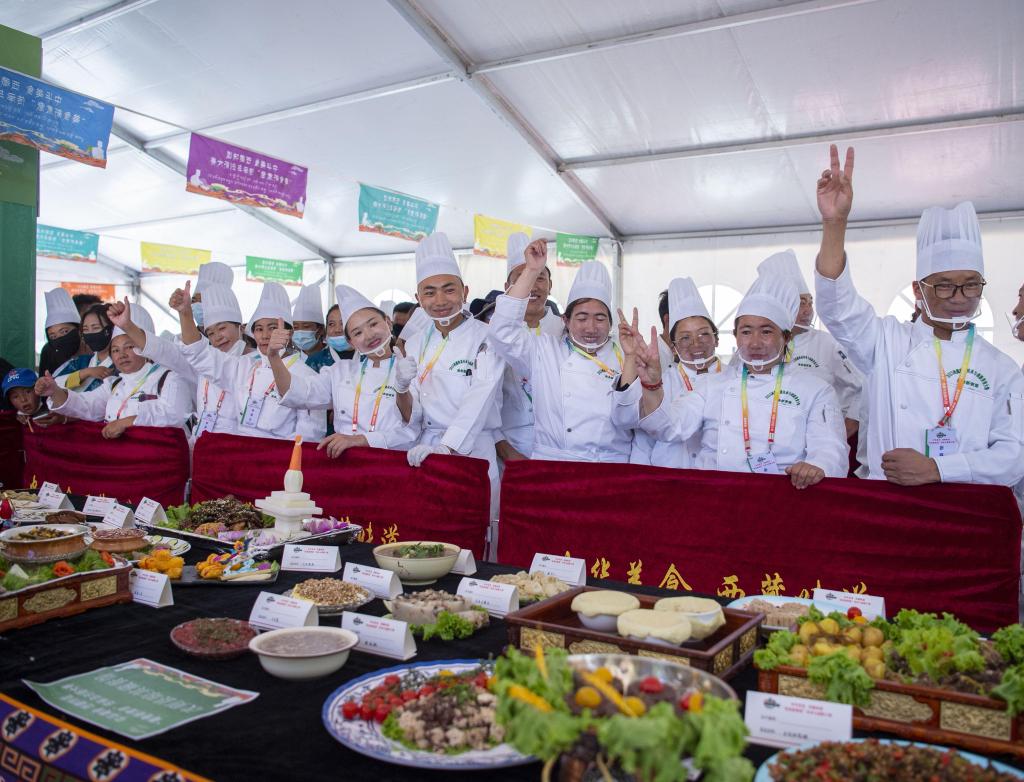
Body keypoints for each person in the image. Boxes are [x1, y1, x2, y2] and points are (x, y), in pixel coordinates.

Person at [814, 144, 1024, 487]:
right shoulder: (886, 341)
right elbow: (836, 306)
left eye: (971, 285)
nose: (960, 298)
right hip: (889, 502)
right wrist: (834, 223)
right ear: (918, 289)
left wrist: (938, 469)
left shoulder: (1001, 367)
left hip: (964, 507)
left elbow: (1014, 455)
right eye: (944, 286)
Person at [621, 273, 849, 488]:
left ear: (786, 336)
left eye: (766, 332)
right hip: (715, 495)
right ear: (735, 335)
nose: (755, 343)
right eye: (746, 332)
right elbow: (669, 427)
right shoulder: (712, 385)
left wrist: (817, 466)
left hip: (780, 497)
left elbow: (830, 448)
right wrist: (652, 385)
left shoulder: (815, 389)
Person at [489, 241, 636, 463]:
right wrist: (532, 270)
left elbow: (635, 421)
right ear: (565, 320)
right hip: (554, 463)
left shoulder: (625, 355)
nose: (591, 328)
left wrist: (632, 357)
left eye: (600, 318)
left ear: (610, 322)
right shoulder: (546, 351)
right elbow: (502, 331)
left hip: (610, 465)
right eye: (582, 318)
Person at [399, 232, 504, 516]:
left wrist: (447, 448)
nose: (440, 300)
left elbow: (481, 396)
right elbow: (414, 412)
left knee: (476, 527)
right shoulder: (414, 343)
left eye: (449, 290)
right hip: (424, 451)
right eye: (429, 292)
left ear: (465, 292)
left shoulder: (488, 337)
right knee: (429, 526)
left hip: (472, 449)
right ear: (418, 299)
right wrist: (401, 388)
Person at [274, 285, 419, 457]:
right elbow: (296, 393)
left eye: (373, 324)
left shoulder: (411, 367)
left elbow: (413, 427)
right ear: (351, 342)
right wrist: (274, 357)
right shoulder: (340, 371)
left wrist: (363, 440)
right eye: (357, 333)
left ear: (388, 322)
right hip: (343, 461)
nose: (369, 335)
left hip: (390, 462)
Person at [177, 280, 327, 442]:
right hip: (240, 452)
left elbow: (310, 436)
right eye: (259, 329)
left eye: (272, 328)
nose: (265, 335)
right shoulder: (245, 368)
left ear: (289, 333)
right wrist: (185, 314)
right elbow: (199, 354)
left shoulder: (306, 375)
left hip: (278, 455)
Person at [109, 283, 251, 439]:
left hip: (238, 446)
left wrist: (186, 314)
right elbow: (165, 351)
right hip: (201, 444)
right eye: (210, 333)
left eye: (222, 328)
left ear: (241, 327)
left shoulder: (255, 365)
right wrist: (128, 326)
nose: (217, 337)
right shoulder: (201, 364)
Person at [34, 303, 192, 439]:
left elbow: (174, 414)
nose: (122, 355)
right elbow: (85, 405)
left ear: (145, 347)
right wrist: (55, 392)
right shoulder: (115, 385)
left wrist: (128, 422)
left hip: (160, 459)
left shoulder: (169, 377)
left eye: (129, 347)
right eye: (115, 350)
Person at [756, 250, 863, 438]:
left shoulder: (828, 343)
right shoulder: (758, 346)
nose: (808, 311)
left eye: (810, 303)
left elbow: (861, 386)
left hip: (819, 435)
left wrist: (849, 425)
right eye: (801, 303)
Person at [631, 277, 721, 468]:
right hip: (667, 476)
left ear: (717, 339)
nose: (696, 343)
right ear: (674, 347)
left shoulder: (733, 379)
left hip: (717, 478)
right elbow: (643, 445)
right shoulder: (660, 382)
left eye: (704, 334)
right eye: (685, 337)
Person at [492, 233, 566, 464]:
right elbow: (484, 400)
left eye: (540, 277)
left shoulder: (567, 331)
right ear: (507, 288)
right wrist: (504, 449)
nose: (532, 286)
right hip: (508, 446)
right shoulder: (492, 334)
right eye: (523, 277)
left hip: (559, 447)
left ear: (550, 285)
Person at [58, 303, 117, 393]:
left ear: (111, 329)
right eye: (85, 329)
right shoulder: (80, 362)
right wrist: (86, 372)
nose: (90, 333)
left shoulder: (120, 364)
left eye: (95, 328)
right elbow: (55, 384)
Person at [39, 288, 91, 379]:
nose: (60, 338)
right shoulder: (50, 354)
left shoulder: (96, 352)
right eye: (53, 336)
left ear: (79, 329)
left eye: (64, 331)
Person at [291, 284, 333, 372]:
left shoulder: (333, 359)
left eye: (306, 326)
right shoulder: (290, 361)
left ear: (320, 330)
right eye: (296, 327)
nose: (300, 332)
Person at [191, 261, 234, 332]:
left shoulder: (234, 334)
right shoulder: (184, 336)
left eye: (203, 301)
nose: (197, 305)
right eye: (193, 300)